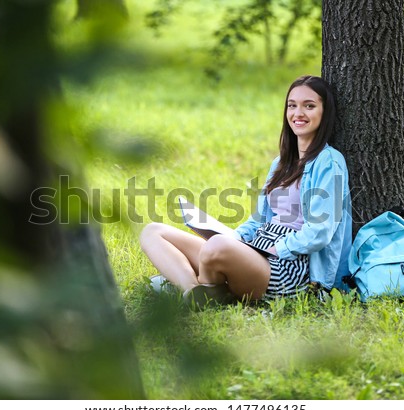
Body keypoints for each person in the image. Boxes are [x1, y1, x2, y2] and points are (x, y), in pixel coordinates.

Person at [140, 75, 352, 307]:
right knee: (153, 232)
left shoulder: (329, 162)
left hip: (290, 266)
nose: (298, 113)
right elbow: (259, 220)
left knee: (216, 247)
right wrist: (235, 237)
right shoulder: (281, 163)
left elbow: (321, 232)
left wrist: (277, 248)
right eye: (292, 105)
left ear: (325, 112)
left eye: (309, 106)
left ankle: (193, 284)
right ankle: (195, 292)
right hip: (257, 250)